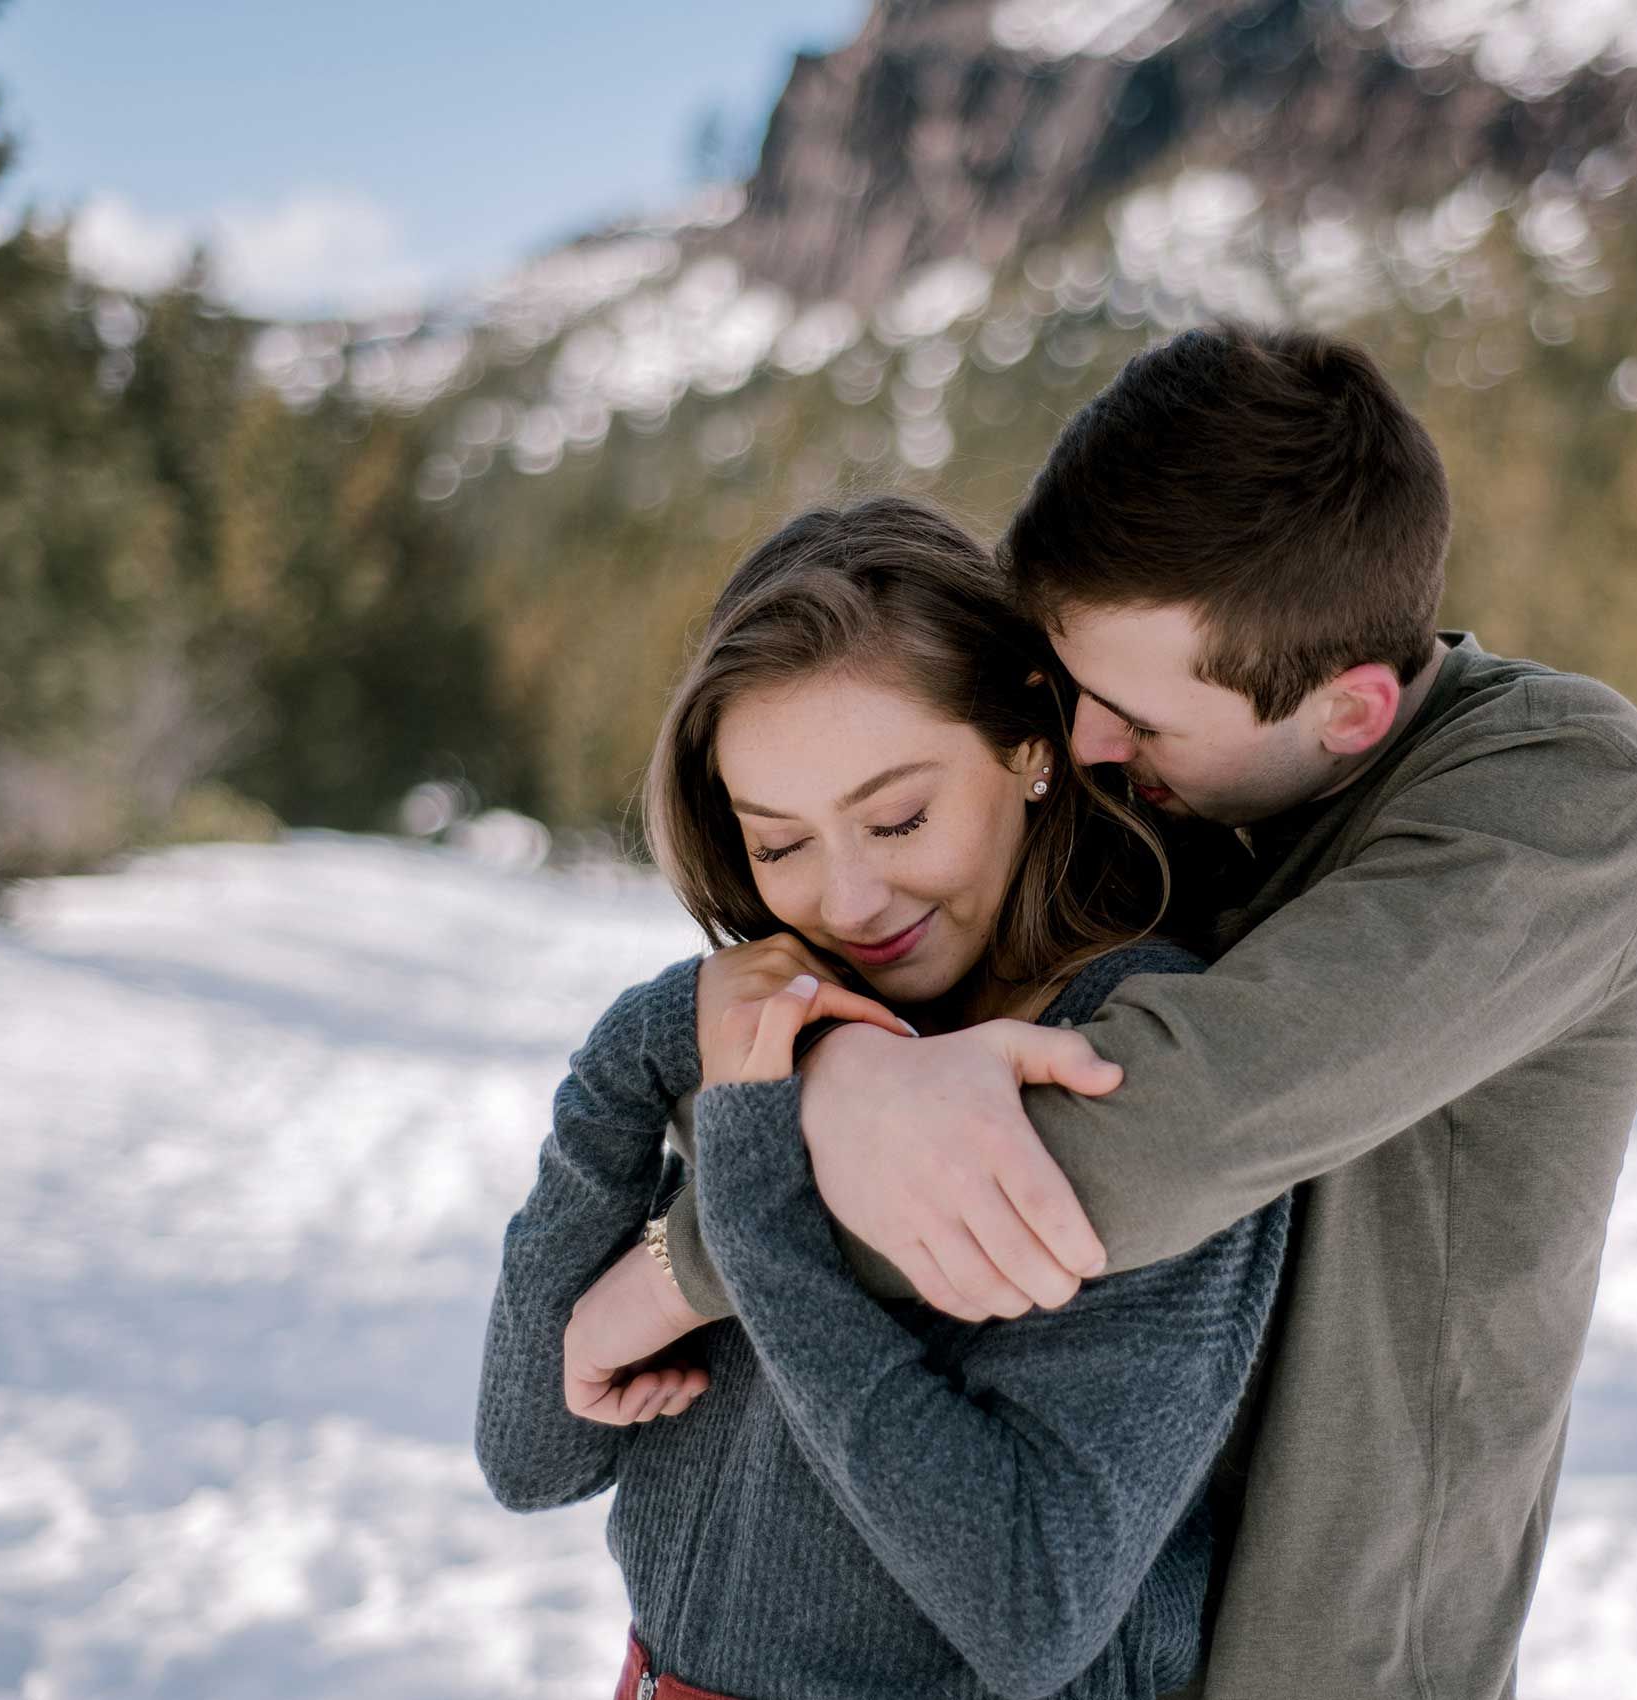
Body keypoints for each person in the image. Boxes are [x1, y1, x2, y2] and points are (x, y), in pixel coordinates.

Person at [574, 323, 1637, 1697]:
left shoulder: (1558, 803)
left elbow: (1144, 1130)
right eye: (1069, 688)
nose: (1090, 749)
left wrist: (687, 1266)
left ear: (1350, 712)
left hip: (1329, 1656)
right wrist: (833, 1075)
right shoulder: (1199, 789)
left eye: (1134, 718)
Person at [474, 494, 1292, 1700]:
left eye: (897, 816)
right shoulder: (781, 1031)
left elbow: (1032, 1602)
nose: (846, 898)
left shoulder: (1128, 1056)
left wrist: (755, 1216)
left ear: (1029, 741)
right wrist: (654, 1033)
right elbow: (528, 1449)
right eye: (779, 842)